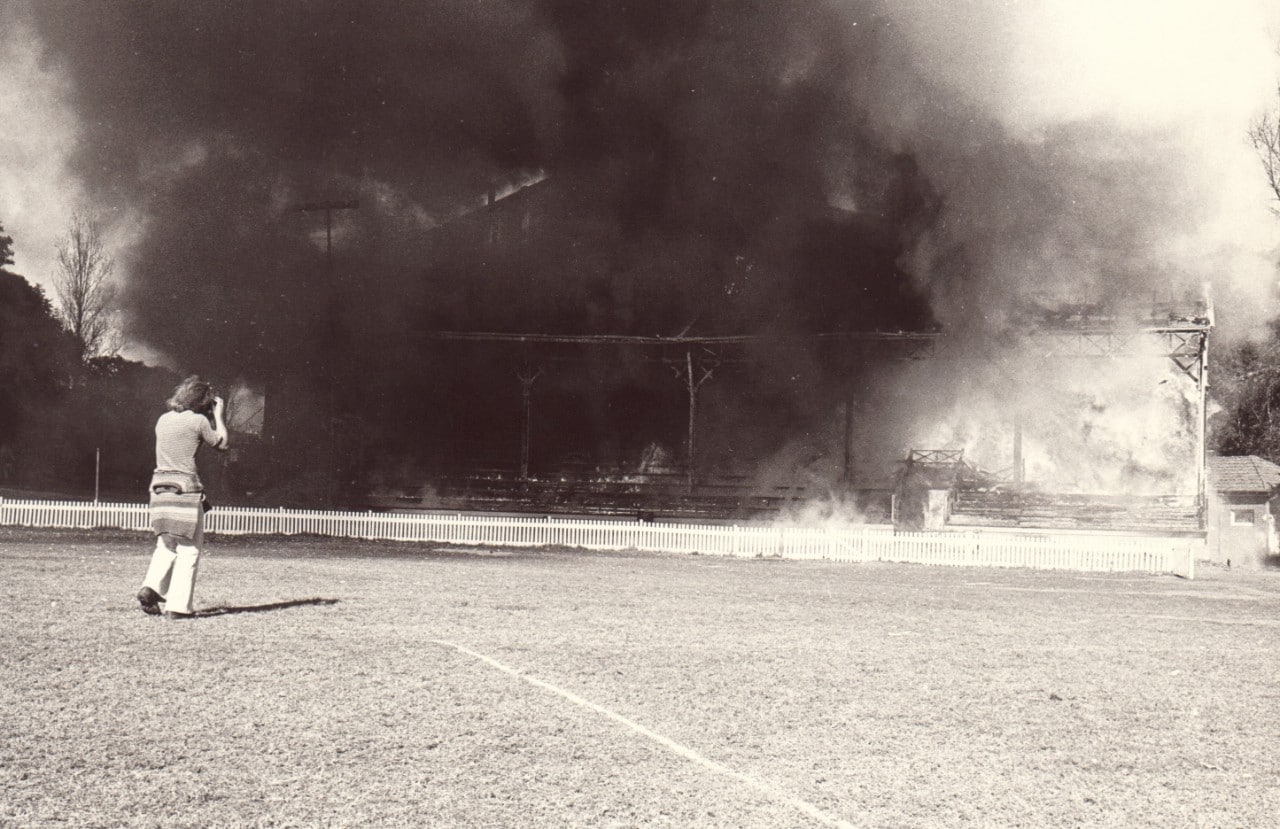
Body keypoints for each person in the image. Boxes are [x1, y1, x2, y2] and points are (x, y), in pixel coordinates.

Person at [136, 375, 229, 619]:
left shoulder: (163, 420)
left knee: (166, 545)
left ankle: (151, 587)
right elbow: (222, 444)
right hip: (185, 490)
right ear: (204, 402)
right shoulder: (198, 421)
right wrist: (218, 416)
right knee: (189, 549)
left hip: (158, 488)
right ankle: (178, 608)